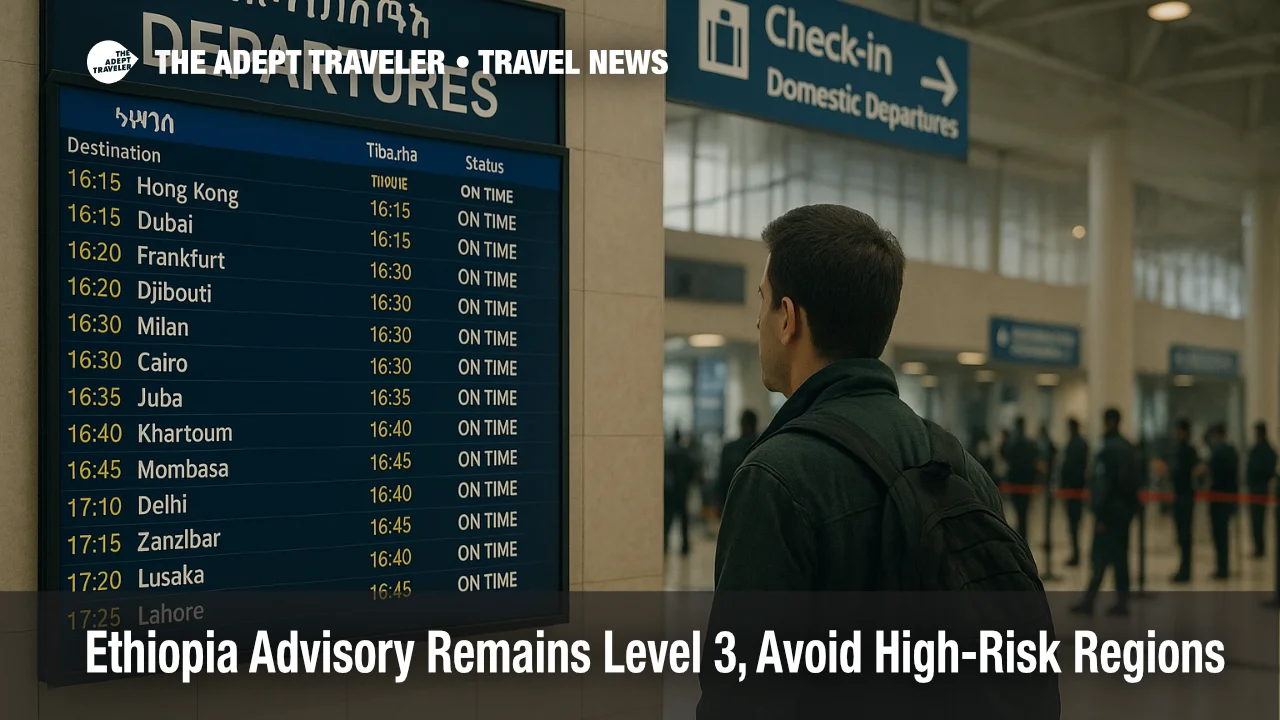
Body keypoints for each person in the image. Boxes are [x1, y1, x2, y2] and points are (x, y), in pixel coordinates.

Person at [699, 205, 1055, 718]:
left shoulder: (776, 478)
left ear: (789, 319)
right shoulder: (961, 467)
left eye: (764, 301)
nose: (757, 320)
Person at [1072, 408, 1138, 617]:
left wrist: (1098, 513)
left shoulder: (1107, 450)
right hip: (1124, 512)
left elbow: (1103, 485)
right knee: (1120, 558)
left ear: (1108, 422)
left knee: (1099, 557)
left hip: (1109, 513)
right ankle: (1122, 601)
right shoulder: (1128, 448)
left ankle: (1089, 601)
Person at [1206, 424, 1239, 579]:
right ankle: (1222, 567)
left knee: (1220, 536)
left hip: (1219, 500)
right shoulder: (1231, 452)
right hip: (1227, 499)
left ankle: (1222, 569)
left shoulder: (1218, 453)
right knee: (1222, 536)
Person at [1169, 418, 1199, 582]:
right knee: (1182, 536)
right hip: (1182, 496)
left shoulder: (1186, 451)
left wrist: (1168, 471)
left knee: (1185, 536)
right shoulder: (1182, 450)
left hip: (1184, 497)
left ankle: (1185, 570)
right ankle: (1183, 568)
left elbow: (1181, 474)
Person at [714, 410, 759, 519]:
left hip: (732, 503)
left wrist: (720, 504)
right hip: (757, 504)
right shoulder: (763, 446)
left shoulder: (729, 448)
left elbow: (722, 479)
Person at [1002, 417, 1039, 540]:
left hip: (1016, 484)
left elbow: (1006, 457)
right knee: (1023, 513)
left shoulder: (1013, 443)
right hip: (1026, 484)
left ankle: (1021, 536)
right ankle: (1023, 536)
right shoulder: (1029, 443)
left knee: (1019, 513)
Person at [1059, 418, 1089, 567]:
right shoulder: (1082, 444)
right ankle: (1076, 553)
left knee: (1073, 525)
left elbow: (1069, 467)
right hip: (1078, 488)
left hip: (1073, 489)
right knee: (1075, 524)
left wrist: (1064, 485)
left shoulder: (1073, 444)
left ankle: (1076, 555)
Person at [1246, 421, 1277, 559]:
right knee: (1255, 519)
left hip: (1260, 487)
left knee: (1259, 519)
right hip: (1255, 487)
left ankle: (1260, 547)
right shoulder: (1258, 449)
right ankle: (1258, 546)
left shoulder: (1265, 450)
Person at [663, 428, 697, 556]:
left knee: (668, 519)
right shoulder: (685, 453)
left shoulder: (667, 452)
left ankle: (665, 544)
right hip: (682, 490)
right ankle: (685, 546)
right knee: (683, 520)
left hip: (670, 492)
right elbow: (692, 471)